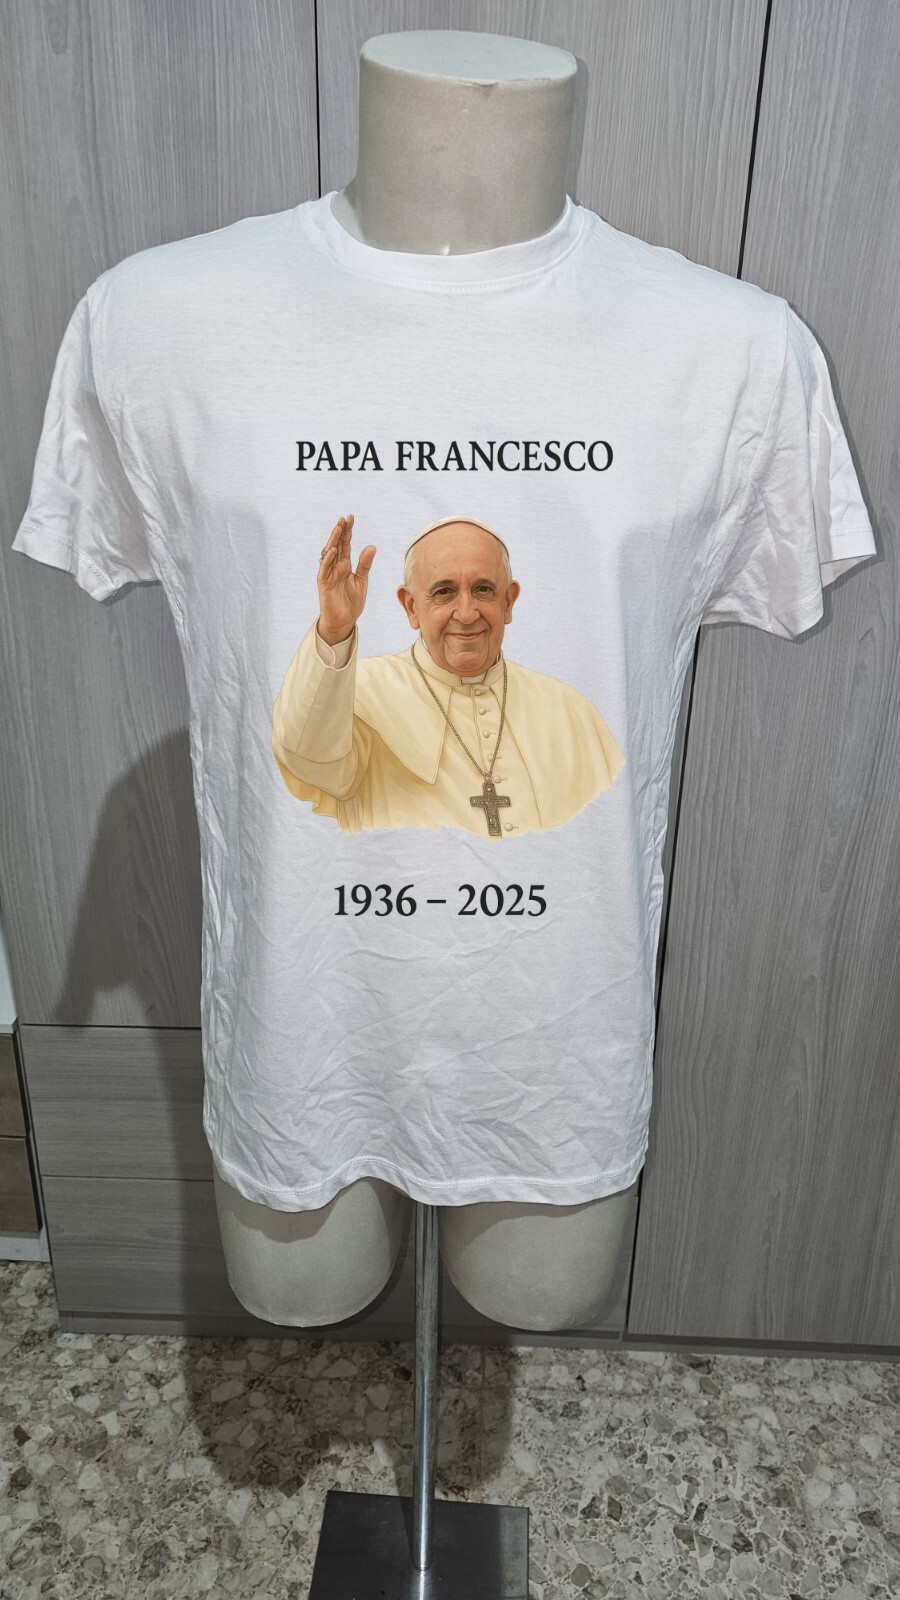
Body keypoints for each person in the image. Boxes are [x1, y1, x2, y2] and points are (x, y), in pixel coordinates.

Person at [272, 512, 626, 838]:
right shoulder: (357, 692)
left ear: (509, 601)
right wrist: (334, 630)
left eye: (483, 589)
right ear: (411, 607)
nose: (467, 613)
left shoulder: (572, 714)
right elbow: (308, 759)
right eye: (444, 592)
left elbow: (611, 831)